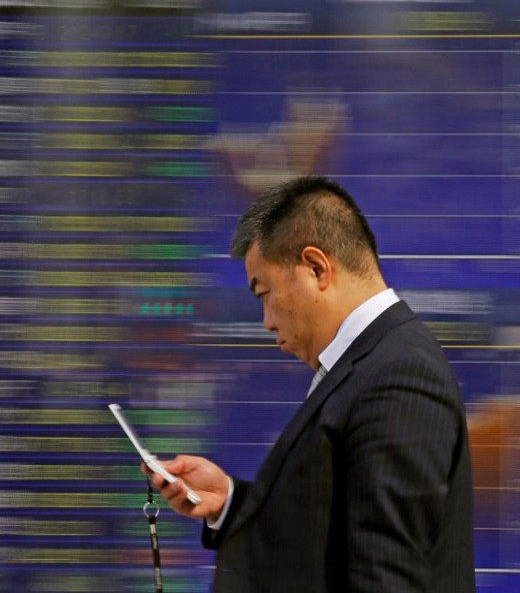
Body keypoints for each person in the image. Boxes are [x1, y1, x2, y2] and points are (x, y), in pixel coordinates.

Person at [143, 176, 476, 592]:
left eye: (264, 293)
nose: (266, 321)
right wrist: (231, 503)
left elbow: (386, 573)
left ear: (317, 268)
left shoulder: (400, 376)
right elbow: (335, 531)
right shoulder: (373, 364)